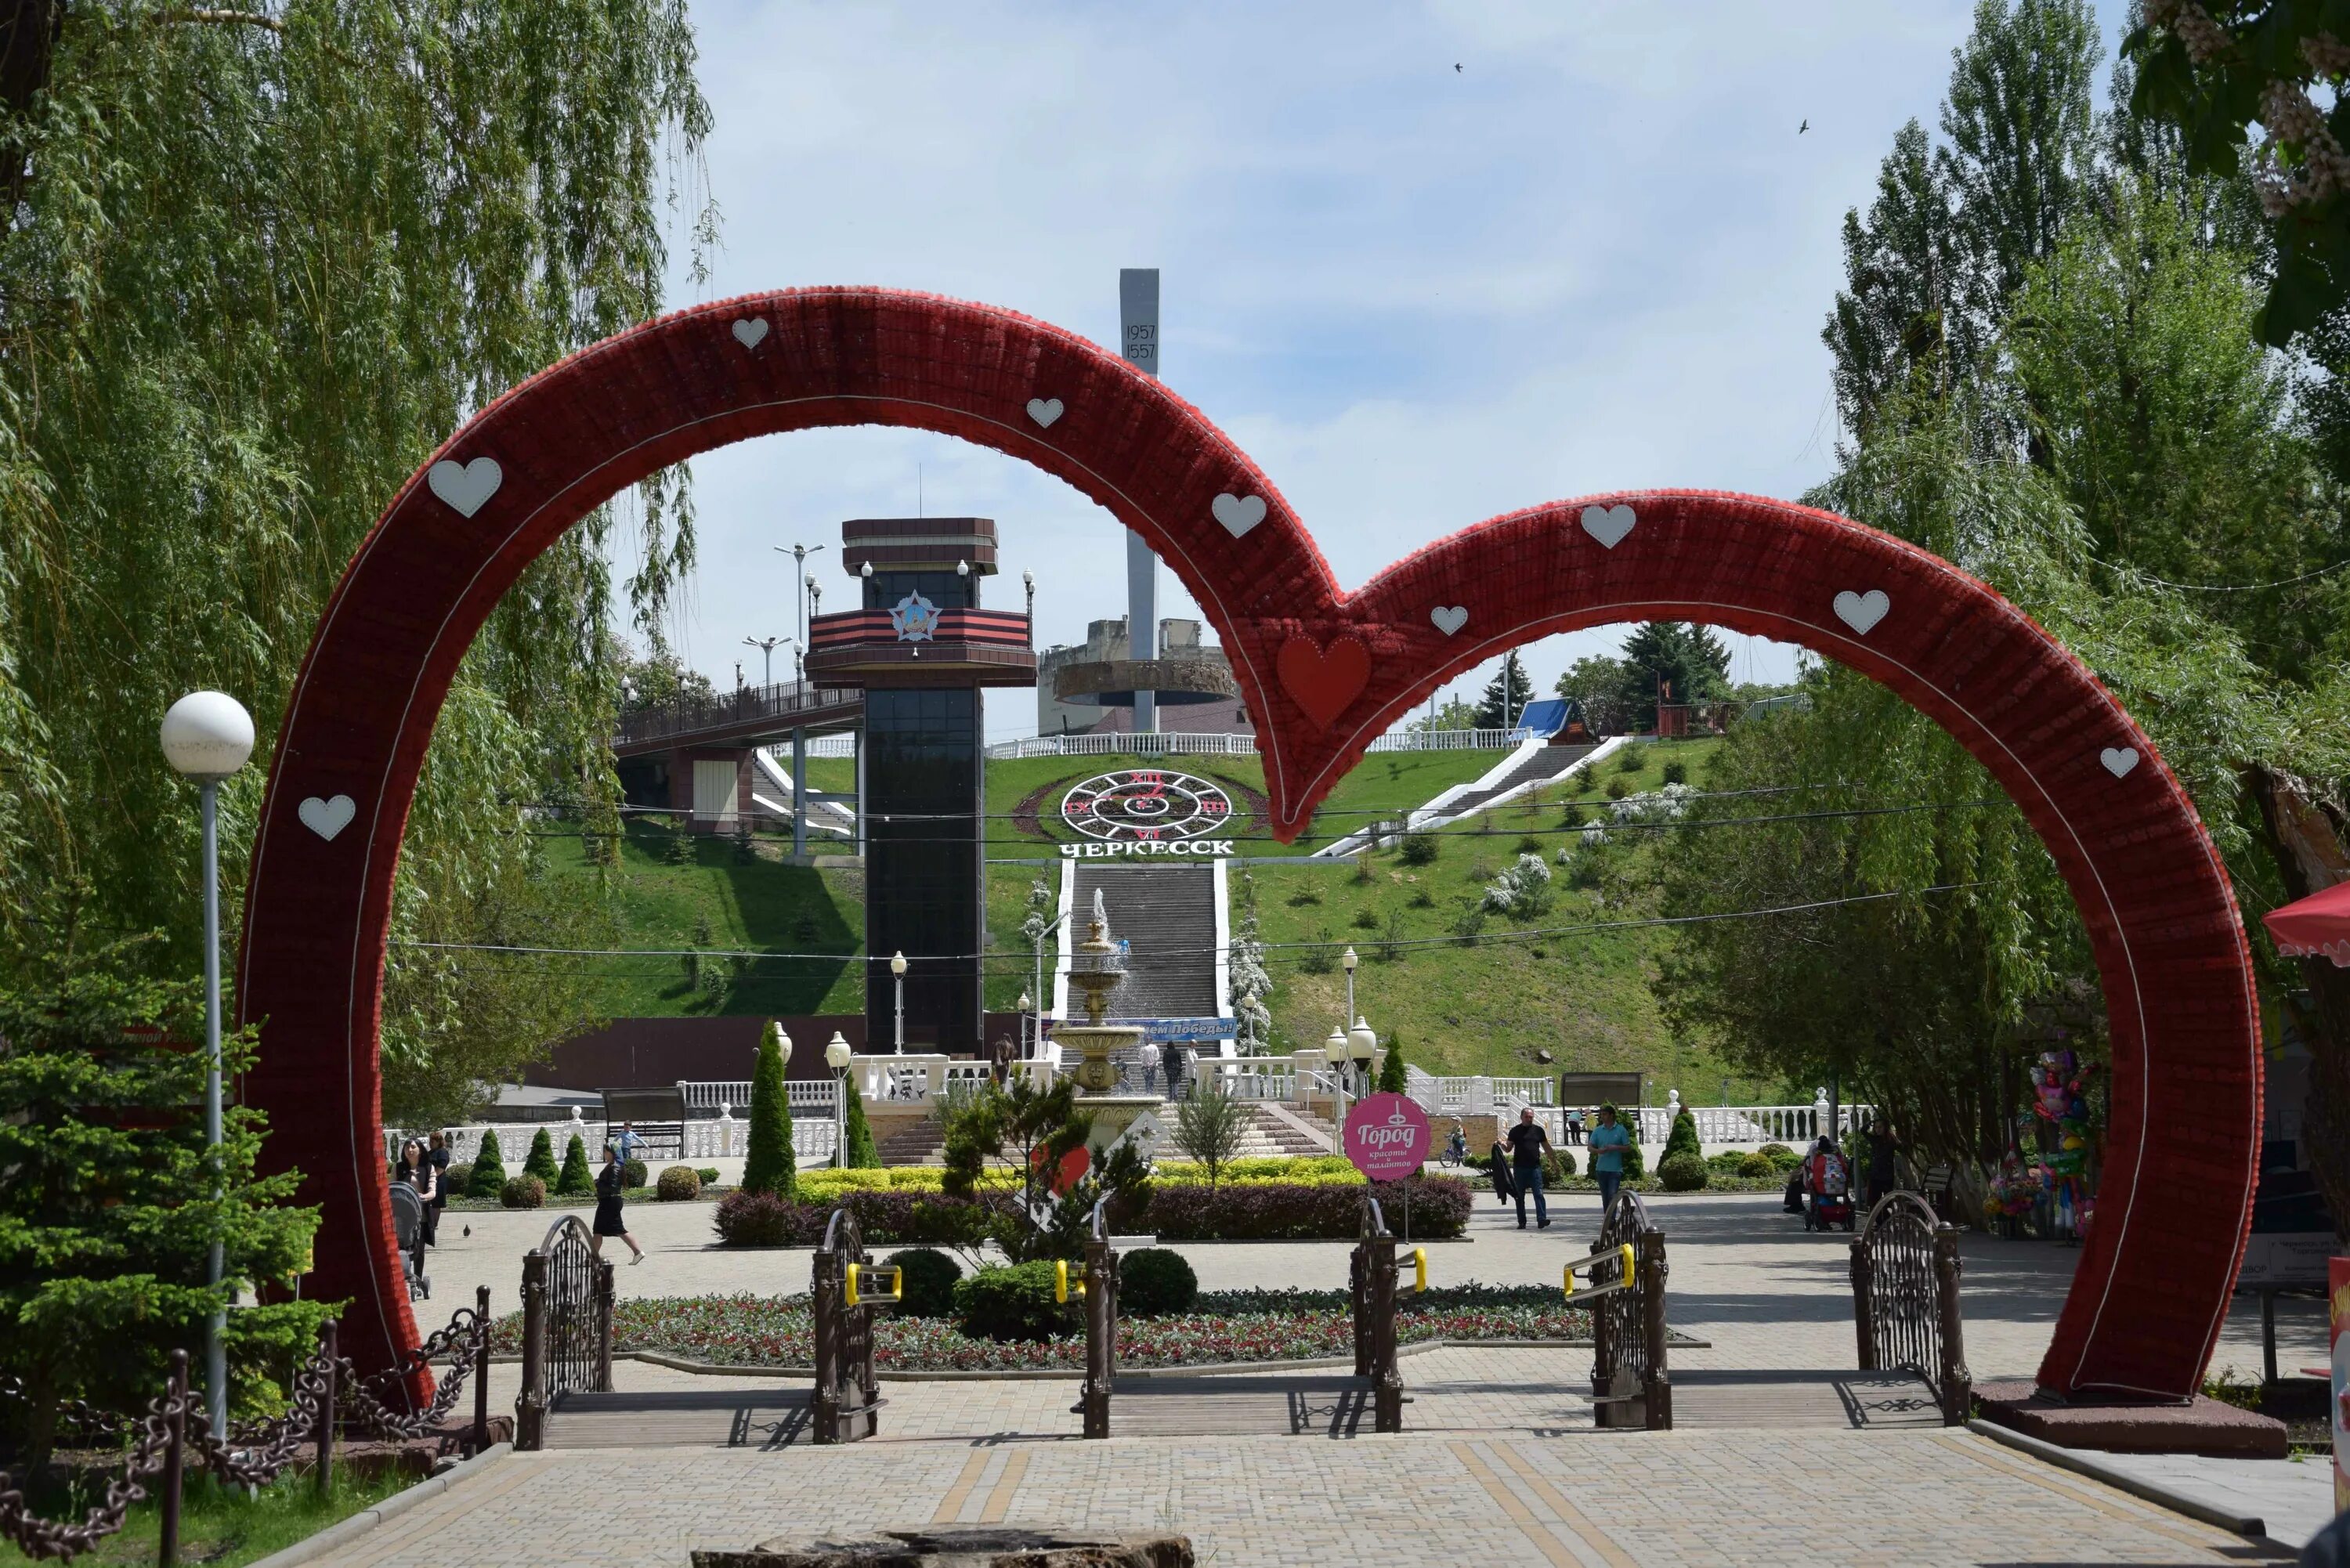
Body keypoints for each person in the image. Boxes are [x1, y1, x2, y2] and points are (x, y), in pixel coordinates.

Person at [592, 1143, 644, 1263]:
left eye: (606, 1151)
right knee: (599, 1230)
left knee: (617, 1229)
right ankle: (593, 1257)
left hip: (610, 1202)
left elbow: (612, 1187)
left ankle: (638, 1252)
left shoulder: (615, 1167)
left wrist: (598, 1184)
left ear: (612, 1152)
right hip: (608, 1201)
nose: (604, 1154)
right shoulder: (611, 1166)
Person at [1504, 1107, 1553, 1230]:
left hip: (1535, 1168)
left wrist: (1554, 1162)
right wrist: (1501, 1143)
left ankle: (1541, 1219)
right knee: (1519, 1196)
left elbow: (1547, 1147)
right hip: (1519, 1168)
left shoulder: (1538, 1130)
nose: (1529, 1119)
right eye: (1526, 1117)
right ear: (1521, 1117)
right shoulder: (1515, 1131)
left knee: (1539, 1194)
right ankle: (1522, 1222)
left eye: (1531, 1117)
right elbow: (1508, 1148)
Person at [1587, 1104, 1631, 1218]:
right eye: (1601, 1114)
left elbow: (1628, 1148)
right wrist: (1598, 1151)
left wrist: (1615, 1147)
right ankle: (1608, 1219)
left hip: (1615, 1169)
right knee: (1605, 1197)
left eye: (1605, 1114)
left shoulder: (1621, 1130)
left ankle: (1611, 1220)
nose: (1602, 1117)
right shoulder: (1598, 1130)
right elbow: (1589, 1147)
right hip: (1601, 1169)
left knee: (1612, 1195)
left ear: (1612, 1115)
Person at [424, 1130, 450, 1245]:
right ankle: (429, 1224)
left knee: (436, 1204)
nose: (430, 1143)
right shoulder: (430, 1152)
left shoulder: (442, 1152)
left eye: (432, 1141)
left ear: (439, 1142)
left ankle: (434, 1224)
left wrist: (432, 1177)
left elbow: (441, 1167)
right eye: (430, 1141)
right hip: (429, 1181)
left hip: (438, 1181)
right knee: (430, 1203)